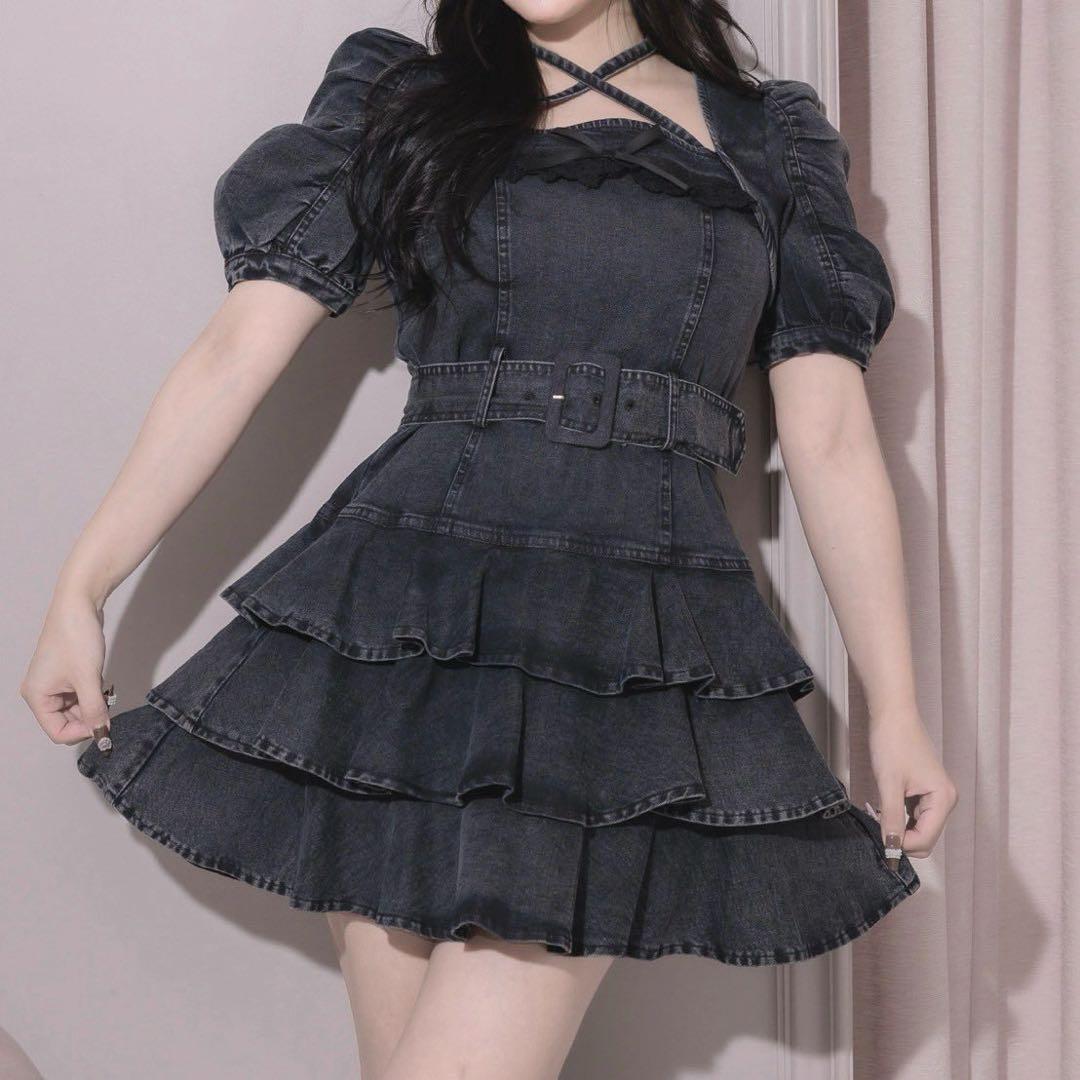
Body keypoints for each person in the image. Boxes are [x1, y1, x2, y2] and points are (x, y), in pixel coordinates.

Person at [20, 2, 958, 1077]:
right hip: (404, 623)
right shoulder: (401, 95)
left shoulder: (768, 133)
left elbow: (831, 435)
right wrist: (82, 587)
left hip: (617, 644)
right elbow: (239, 349)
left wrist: (896, 707)